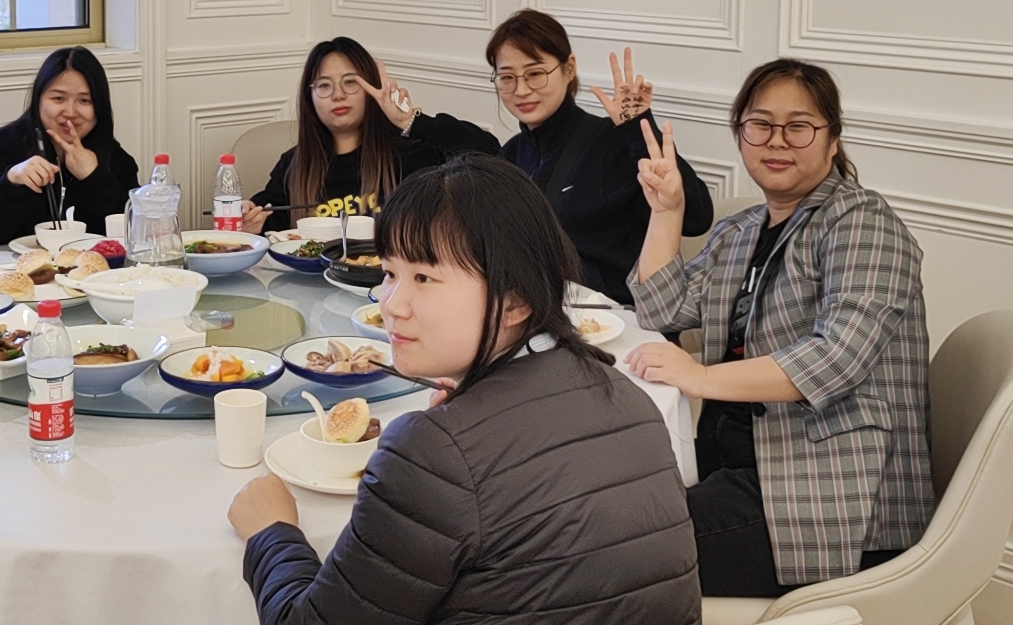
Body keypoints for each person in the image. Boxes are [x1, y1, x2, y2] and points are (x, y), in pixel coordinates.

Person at [228, 154, 700, 624]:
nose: (391, 304)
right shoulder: (626, 396)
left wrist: (272, 532)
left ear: (515, 299)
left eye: (424, 278)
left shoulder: (431, 453)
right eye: (390, 273)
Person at [623, 58, 933, 596]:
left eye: (799, 126)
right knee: (599, 516)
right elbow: (662, 309)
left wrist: (701, 376)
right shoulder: (743, 230)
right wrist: (667, 211)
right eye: (760, 124)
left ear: (832, 139)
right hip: (746, 465)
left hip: (828, 495)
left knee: (613, 552)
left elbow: (836, 357)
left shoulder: (864, 223)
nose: (777, 141)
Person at [486, 9, 712, 304]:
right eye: (507, 77)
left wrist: (637, 128)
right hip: (539, 310)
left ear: (569, 69)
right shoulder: (511, 155)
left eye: (535, 73)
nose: (521, 89)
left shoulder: (613, 141)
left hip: (615, 317)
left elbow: (697, 218)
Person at [239, 37, 497, 233]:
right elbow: (268, 219)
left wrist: (410, 121)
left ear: (371, 89)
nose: (338, 95)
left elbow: (489, 152)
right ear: (310, 99)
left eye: (350, 82)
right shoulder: (294, 165)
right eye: (324, 85)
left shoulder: (409, 153)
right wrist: (250, 222)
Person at [0, 47, 142, 243]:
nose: (70, 112)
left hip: (93, 261)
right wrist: (10, 182)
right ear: (38, 100)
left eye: (84, 100)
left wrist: (95, 179)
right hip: (17, 261)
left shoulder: (115, 158)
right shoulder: (4, 146)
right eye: (58, 98)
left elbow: (137, 232)